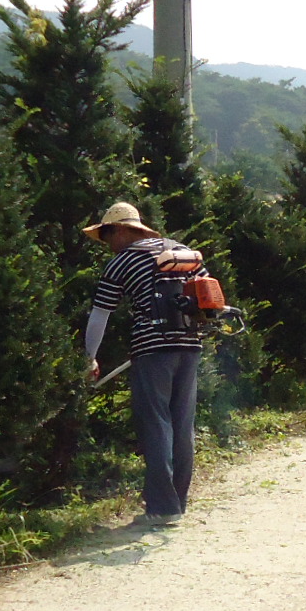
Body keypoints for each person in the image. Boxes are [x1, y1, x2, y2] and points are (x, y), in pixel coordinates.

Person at [82, 202, 207, 527]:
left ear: (123, 230)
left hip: (152, 350)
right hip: (190, 345)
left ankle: (161, 509)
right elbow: (208, 294)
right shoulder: (181, 251)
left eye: (108, 234)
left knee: (156, 424)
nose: (108, 243)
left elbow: (100, 314)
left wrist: (89, 357)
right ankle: (176, 504)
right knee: (182, 424)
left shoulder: (122, 261)